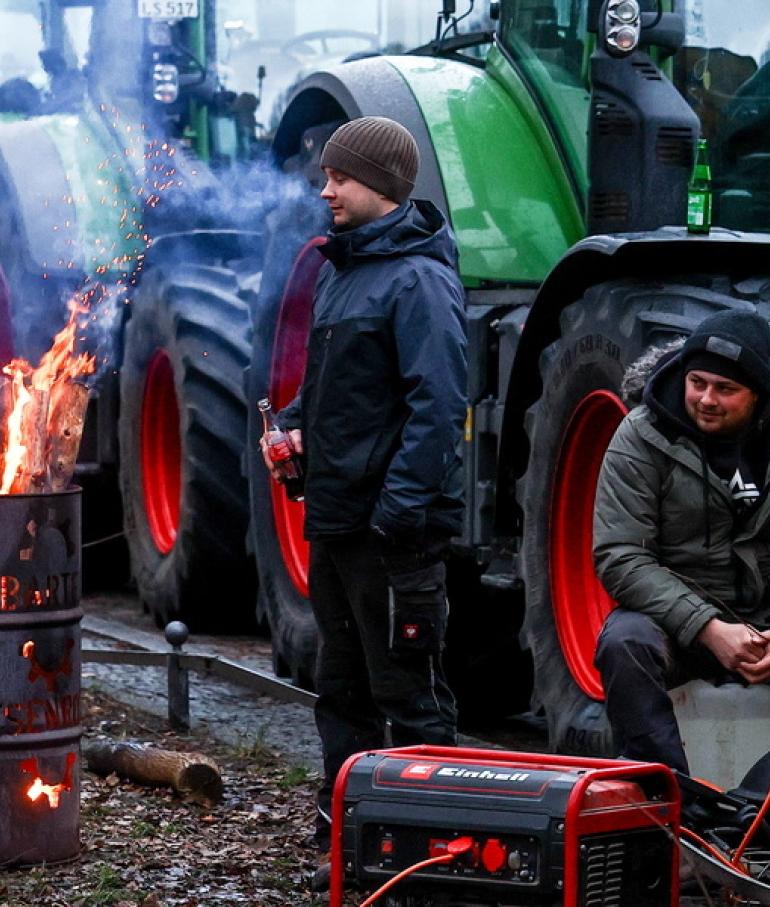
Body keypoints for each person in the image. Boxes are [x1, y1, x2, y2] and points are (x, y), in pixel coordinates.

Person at [260, 116, 467, 857]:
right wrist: (289, 427)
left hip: (389, 535)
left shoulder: (420, 281)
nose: (326, 191)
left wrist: (396, 513)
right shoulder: (344, 273)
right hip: (339, 523)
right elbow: (329, 392)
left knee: (408, 695)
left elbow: (438, 407)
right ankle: (347, 840)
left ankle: (427, 849)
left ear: (377, 184)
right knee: (340, 692)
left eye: (338, 177)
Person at [591, 309, 770, 775]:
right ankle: (670, 796)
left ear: (759, 392)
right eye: (697, 382)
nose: (705, 399)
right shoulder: (641, 435)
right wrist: (708, 628)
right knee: (625, 641)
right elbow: (620, 556)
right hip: (683, 623)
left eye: (725, 389)